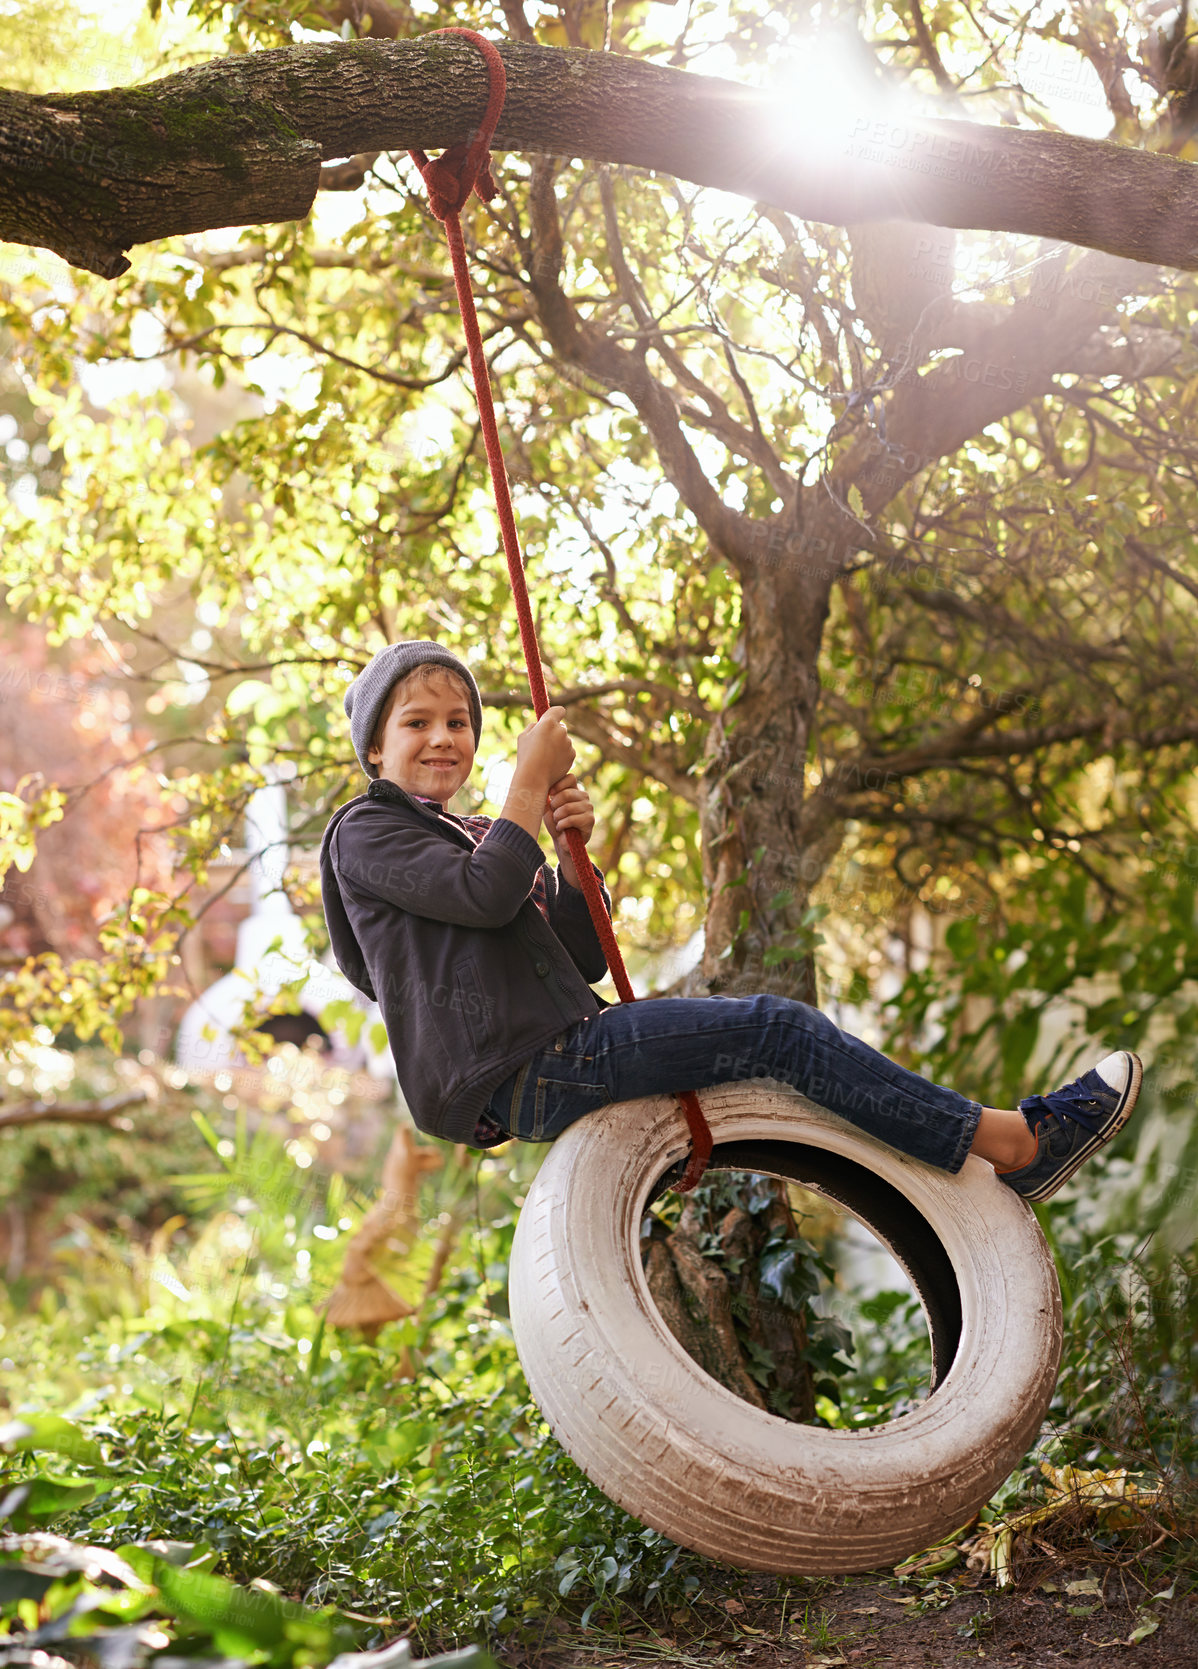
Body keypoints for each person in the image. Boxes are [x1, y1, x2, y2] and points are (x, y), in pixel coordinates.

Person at [319, 641, 1143, 1202]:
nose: (443, 738)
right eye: (416, 723)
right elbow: (484, 895)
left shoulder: (474, 835)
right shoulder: (368, 830)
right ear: (375, 752)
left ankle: (944, 1159)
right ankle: (1017, 1143)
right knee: (776, 1030)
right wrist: (528, 788)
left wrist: (575, 867)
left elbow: (581, 957)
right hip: (521, 1066)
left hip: (553, 1041)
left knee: (773, 1063)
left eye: (458, 721)